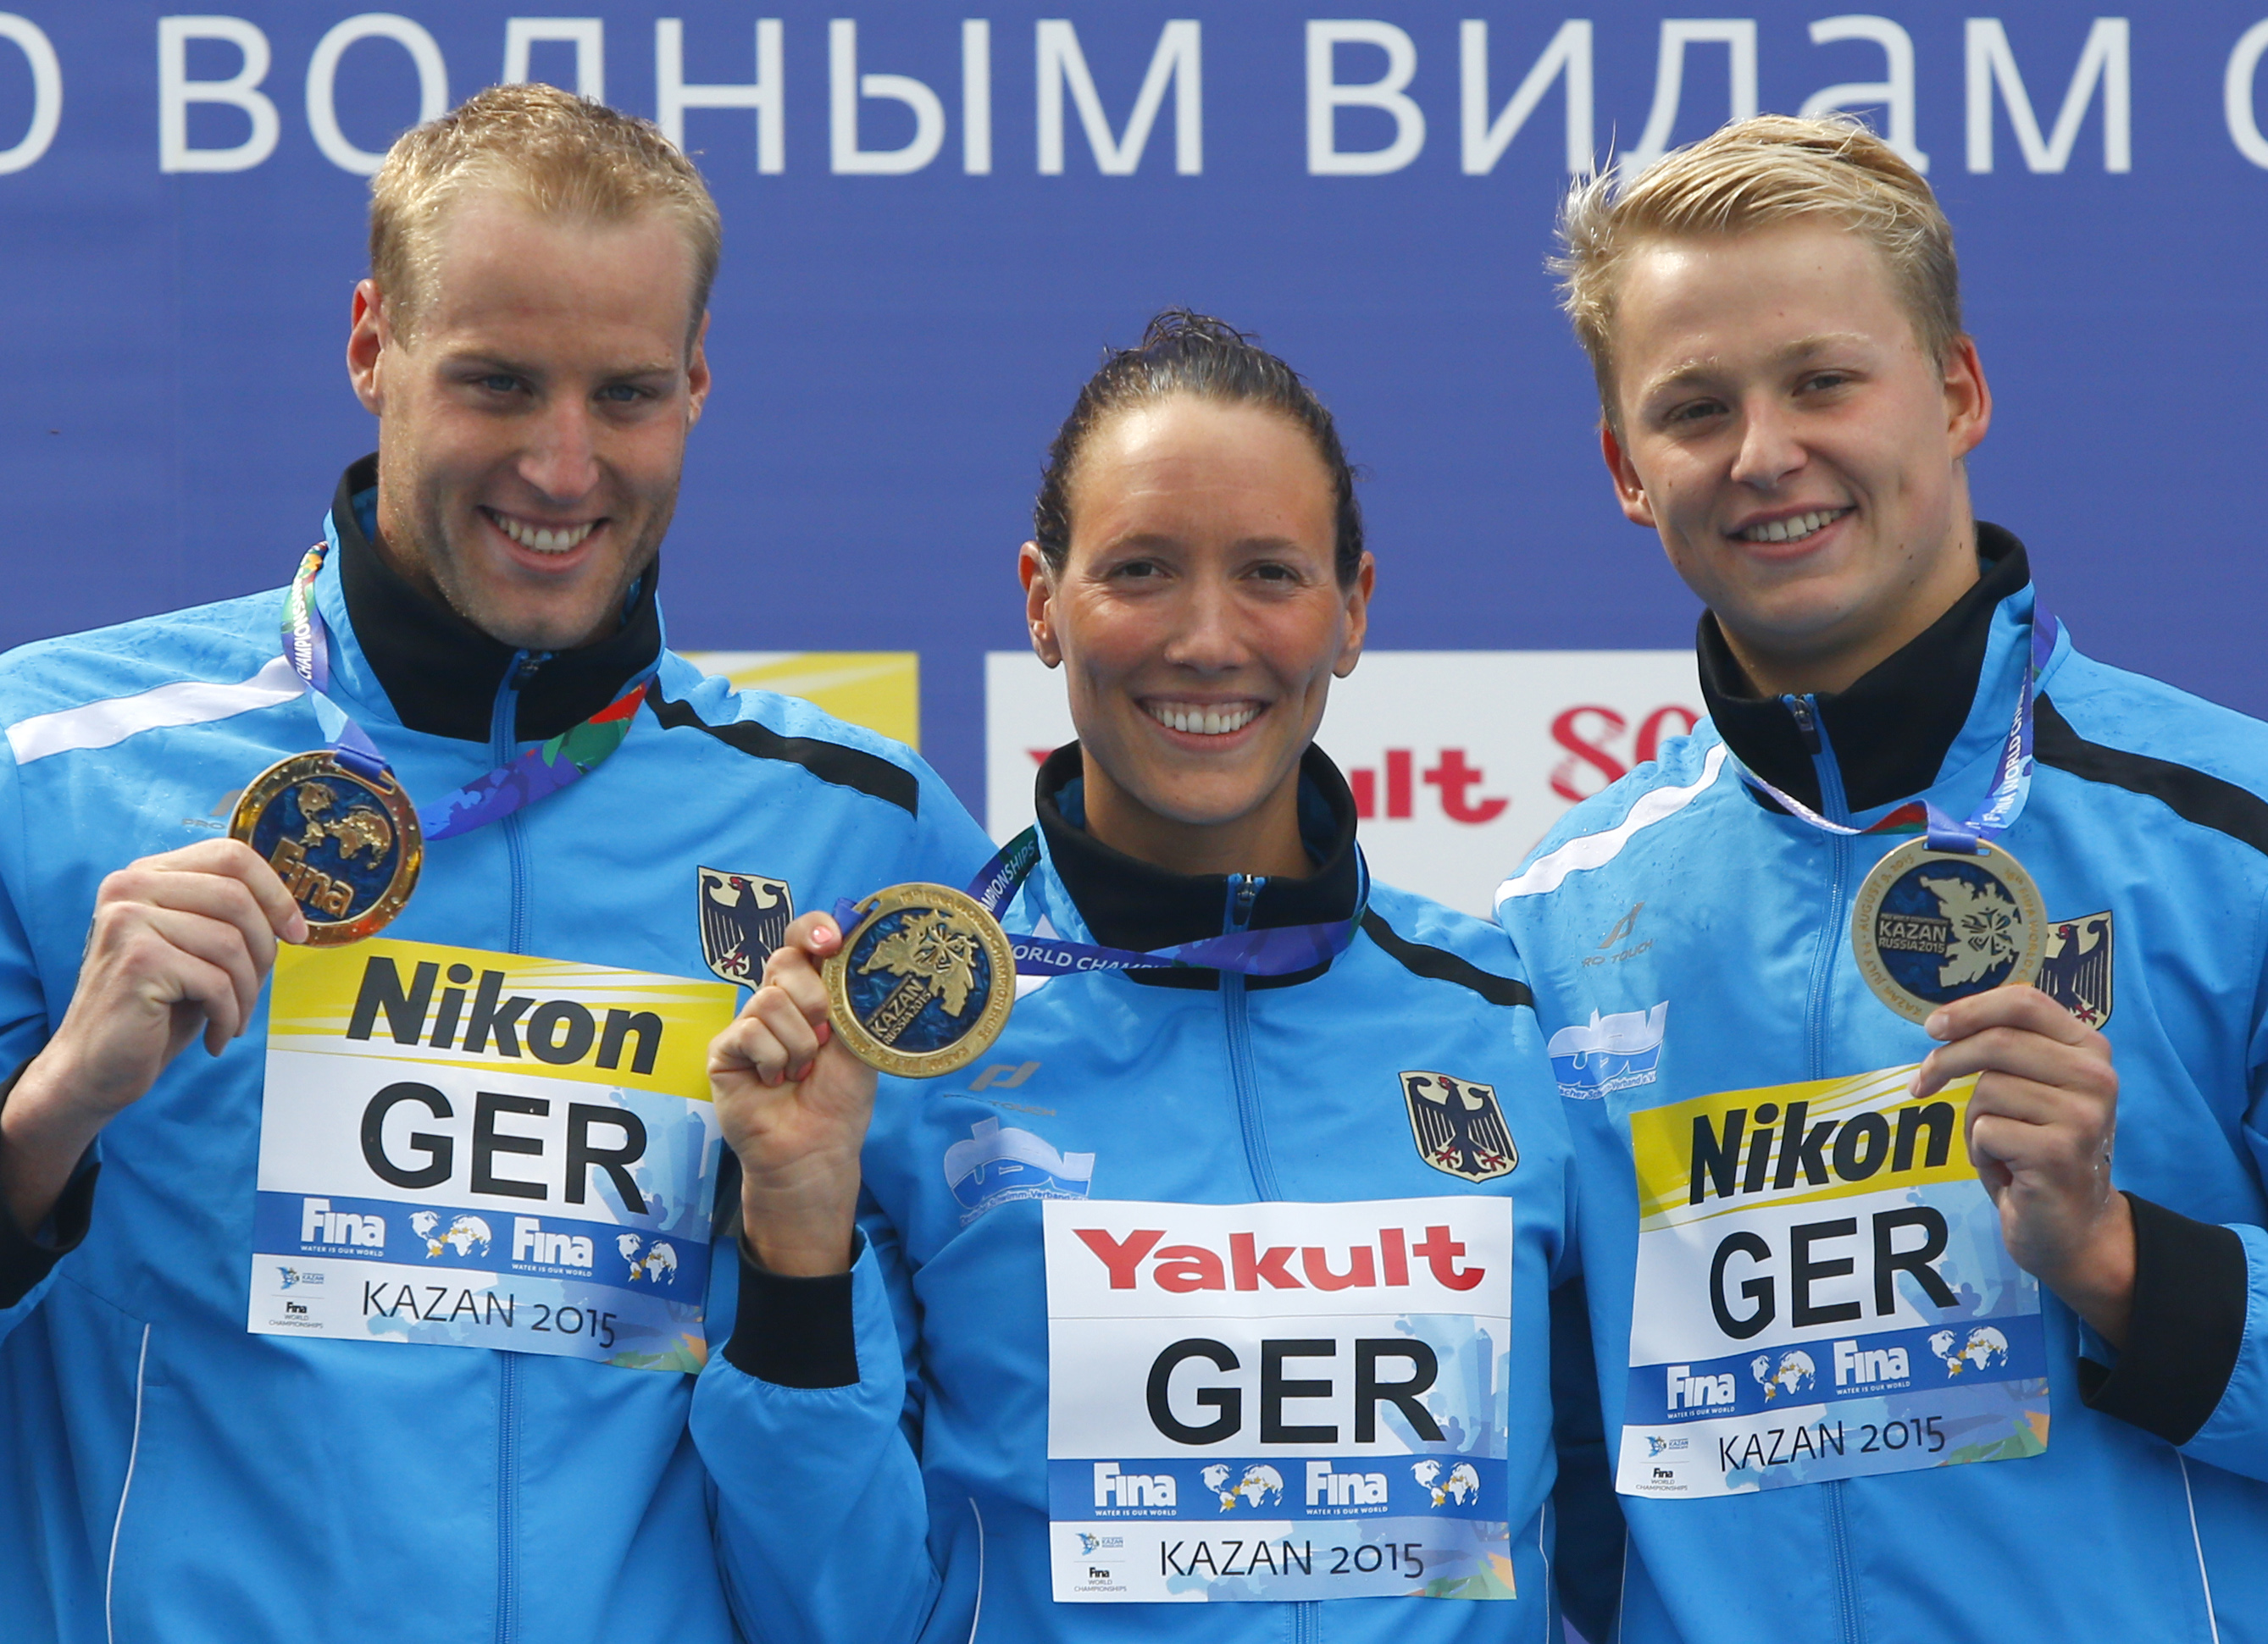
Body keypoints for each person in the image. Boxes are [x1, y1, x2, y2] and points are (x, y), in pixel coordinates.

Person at [0, 86, 990, 1643]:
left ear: (697, 383)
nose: (562, 464)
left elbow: (967, 1460)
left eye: (626, 393)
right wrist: (49, 1112)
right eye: (499, 382)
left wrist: (800, 1269)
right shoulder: (48, 765)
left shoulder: (864, 835)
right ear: (371, 346)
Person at [689, 312, 1584, 1641]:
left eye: (1269, 573)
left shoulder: (1504, 1015)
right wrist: (798, 1227)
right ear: (1041, 603)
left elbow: (1636, 1536)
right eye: (1141, 571)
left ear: (1351, 609)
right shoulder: (908, 1054)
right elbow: (823, 1608)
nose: (1207, 638)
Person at [1495, 113, 2268, 1641]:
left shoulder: (2228, 835)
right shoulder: (1554, 921)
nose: (1764, 453)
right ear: (1626, 470)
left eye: (1822, 381)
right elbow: (1544, 1477)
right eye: (1694, 407)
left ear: (1958, 390)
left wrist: (2119, 1259)